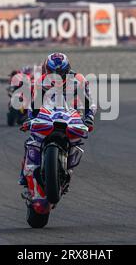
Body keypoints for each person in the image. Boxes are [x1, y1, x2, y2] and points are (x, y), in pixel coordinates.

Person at [18, 52, 96, 186]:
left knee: (76, 141)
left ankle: (67, 166)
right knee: (32, 141)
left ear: (68, 69)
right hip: (47, 115)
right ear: (46, 70)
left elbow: (90, 103)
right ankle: (24, 175)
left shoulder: (79, 80)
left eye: (60, 72)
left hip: (72, 117)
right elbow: (34, 106)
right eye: (52, 72)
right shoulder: (41, 81)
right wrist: (31, 119)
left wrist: (89, 118)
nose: (56, 76)